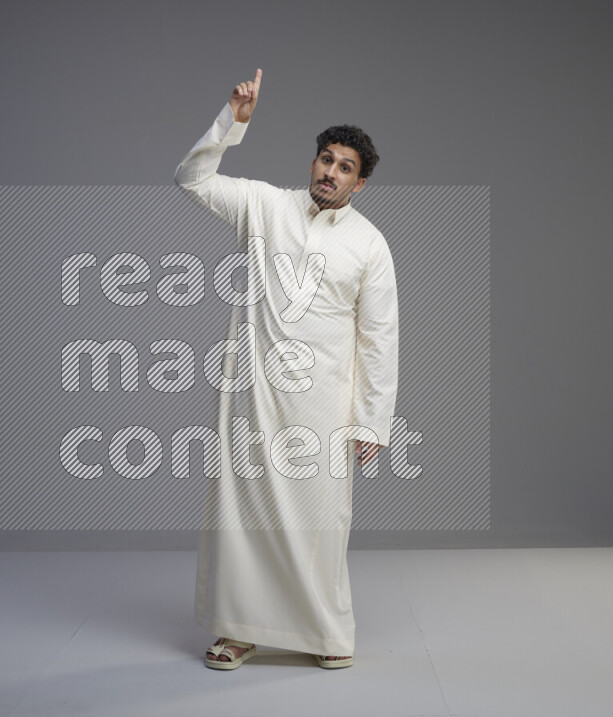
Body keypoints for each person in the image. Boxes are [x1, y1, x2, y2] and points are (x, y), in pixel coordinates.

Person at [174, 69, 398, 670]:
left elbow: (378, 338)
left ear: (361, 183)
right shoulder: (265, 206)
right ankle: (239, 630)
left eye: (345, 167)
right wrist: (232, 124)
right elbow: (191, 178)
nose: (330, 172)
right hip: (252, 399)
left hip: (323, 405)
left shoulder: (370, 245)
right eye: (325, 159)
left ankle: (325, 633)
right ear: (312, 163)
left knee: (320, 523)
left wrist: (372, 422)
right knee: (244, 519)